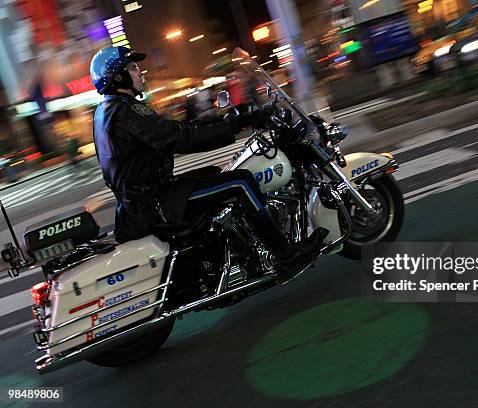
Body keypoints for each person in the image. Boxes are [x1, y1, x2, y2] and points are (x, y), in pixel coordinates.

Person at [89, 46, 328, 281]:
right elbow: (180, 138)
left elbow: (176, 129)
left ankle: (237, 244)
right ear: (118, 76)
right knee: (241, 182)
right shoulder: (128, 112)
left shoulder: (107, 111)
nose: (140, 72)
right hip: (153, 203)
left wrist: (227, 120)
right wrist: (237, 125)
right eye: (133, 68)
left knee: (215, 172)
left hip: (141, 201)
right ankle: (285, 255)